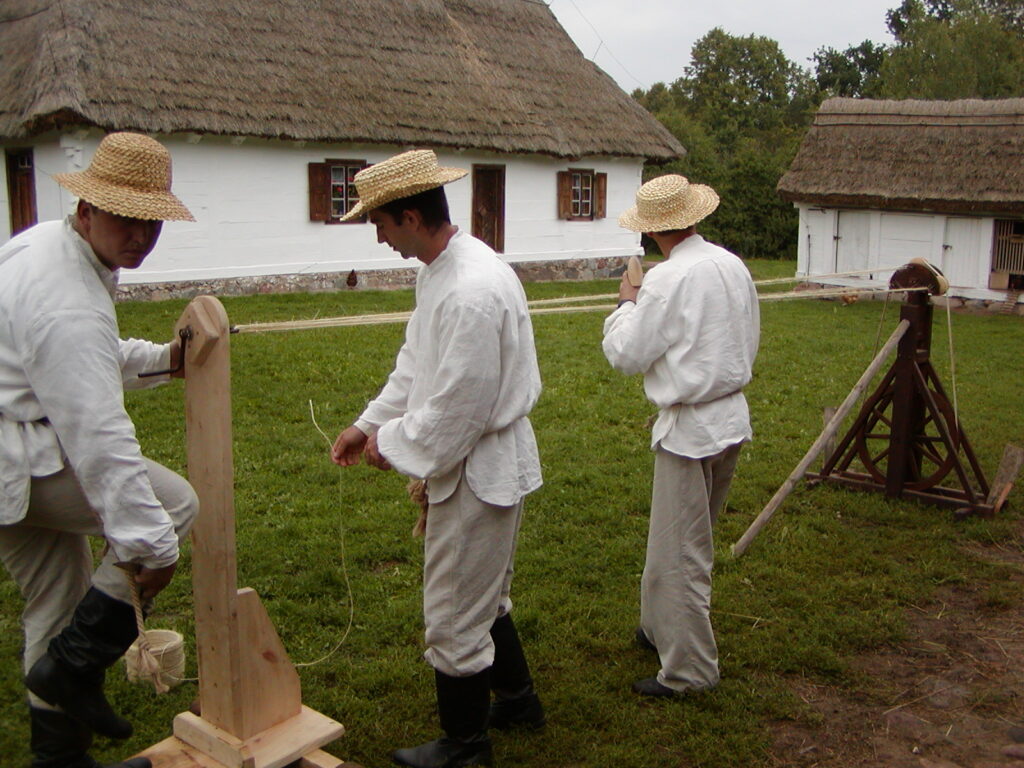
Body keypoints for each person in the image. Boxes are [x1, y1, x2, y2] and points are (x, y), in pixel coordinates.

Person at [330, 149, 544, 768]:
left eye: (381, 223)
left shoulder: (471, 289)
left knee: (453, 613)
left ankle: (466, 746)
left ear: (412, 215)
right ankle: (519, 701)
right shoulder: (443, 270)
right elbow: (417, 365)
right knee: (484, 600)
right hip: (475, 459)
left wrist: (391, 447)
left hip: (478, 467)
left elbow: (458, 410)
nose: (379, 236)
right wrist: (366, 423)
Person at [0, 132, 199, 768]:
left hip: (15, 446)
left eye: (152, 221)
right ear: (87, 210)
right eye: (125, 217)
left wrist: (166, 362)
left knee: (57, 602)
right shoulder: (69, 300)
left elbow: (80, 363)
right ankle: (74, 669)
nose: (140, 234)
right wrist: (152, 547)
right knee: (172, 506)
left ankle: (59, 757)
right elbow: (96, 432)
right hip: (16, 457)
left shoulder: (48, 247)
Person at [602, 174, 759, 698]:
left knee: (679, 555)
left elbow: (627, 354)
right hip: (729, 418)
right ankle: (658, 629)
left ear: (650, 233)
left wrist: (627, 302)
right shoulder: (731, 264)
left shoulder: (667, 281)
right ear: (692, 216)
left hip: (692, 427)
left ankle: (690, 672)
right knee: (681, 544)